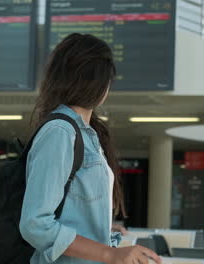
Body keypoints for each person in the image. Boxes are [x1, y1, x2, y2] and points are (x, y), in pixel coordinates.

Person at [19, 33, 161, 264]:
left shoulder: (86, 135)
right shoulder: (61, 132)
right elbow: (35, 224)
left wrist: (101, 230)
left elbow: (68, 212)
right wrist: (109, 253)